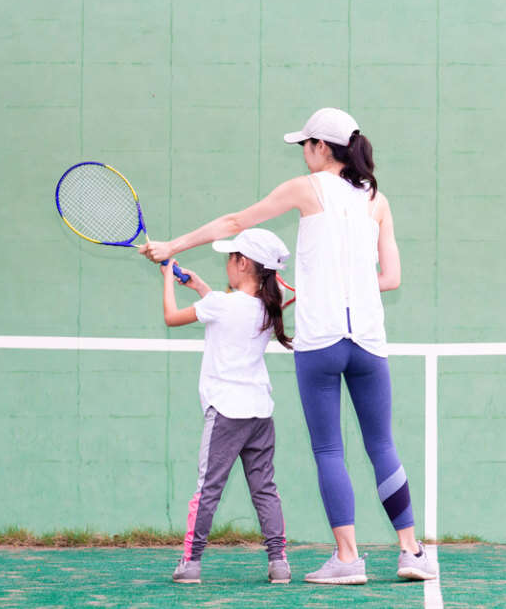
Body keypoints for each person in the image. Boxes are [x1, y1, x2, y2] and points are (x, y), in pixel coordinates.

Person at [140, 108, 437, 584]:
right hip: (368, 342)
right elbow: (392, 278)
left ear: (322, 147)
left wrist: (173, 245)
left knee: (329, 450)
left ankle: (347, 559)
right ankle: (410, 551)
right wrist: (343, 290)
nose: (302, 153)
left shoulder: (307, 188)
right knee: (381, 443)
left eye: (305, 144)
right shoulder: (377, 201)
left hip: (320, 343)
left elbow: (236, 220)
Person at [160, 228, 294, 585]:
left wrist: (167, 280)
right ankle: (279, 563)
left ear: (244, 263)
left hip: (226, 413)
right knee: (264, 488)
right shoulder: (268, 306)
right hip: (260, 414)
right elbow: (230, 311)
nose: (227, 263)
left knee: (208, 488)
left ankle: (190, 564)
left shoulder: (222, 304)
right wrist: (201, 287)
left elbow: (171, 317)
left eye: (231, 256)